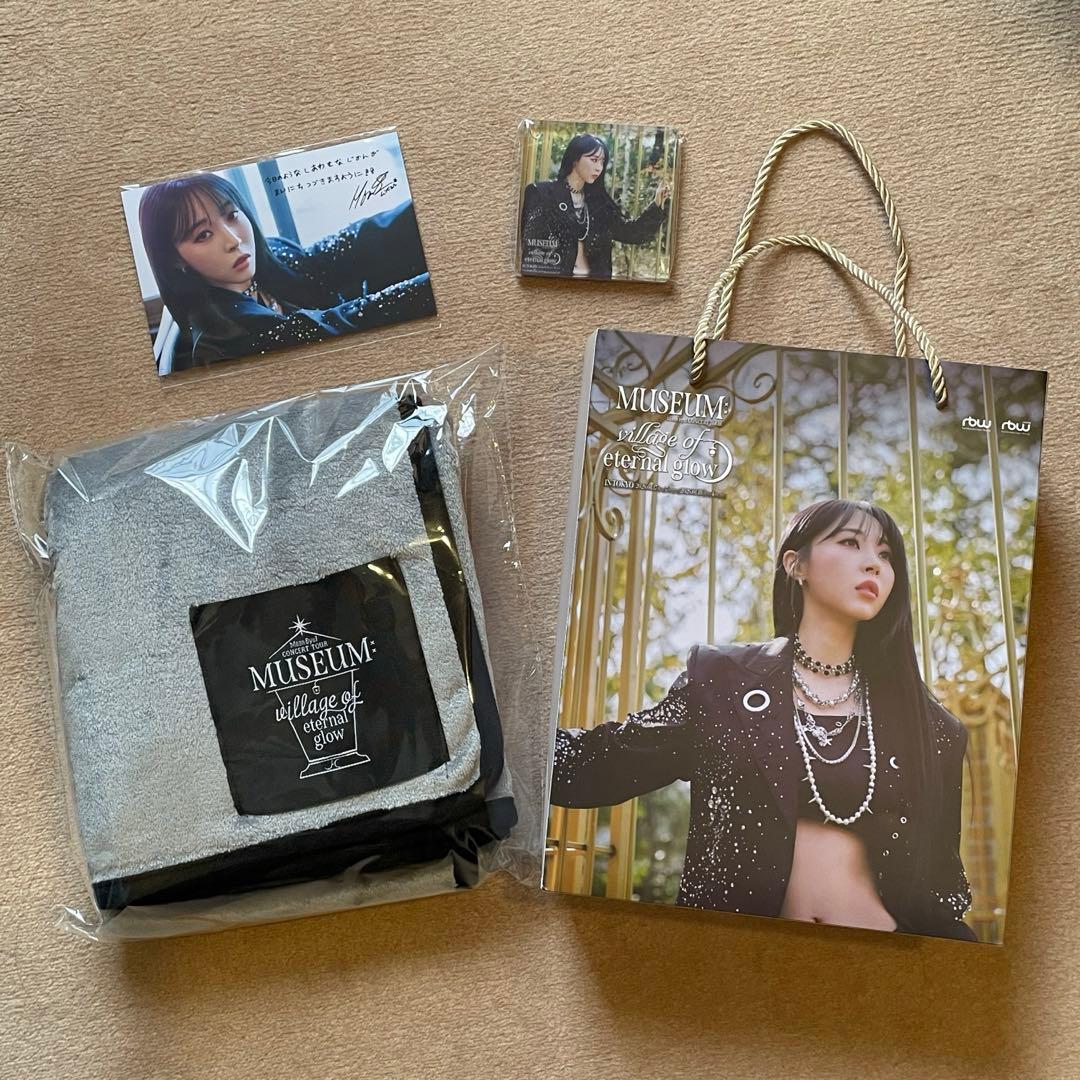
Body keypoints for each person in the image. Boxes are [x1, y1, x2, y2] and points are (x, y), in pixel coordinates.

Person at [550, 498, 976, 940]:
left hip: (879, 963)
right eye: (851, 543)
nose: (874, 564)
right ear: (796, 564)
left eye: (886, 555)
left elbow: (940, 889)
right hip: (741, 961)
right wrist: (499, 743)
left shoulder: (931, 728)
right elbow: (601, 763)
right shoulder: (721, 682)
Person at [138, 173, 435, 370]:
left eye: (231, 215)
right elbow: (342, 322)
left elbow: (345, 247)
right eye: (203, 235)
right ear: (174, 259)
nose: (233, 239)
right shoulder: (226, 336)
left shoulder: (268, 256)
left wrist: (429, 206)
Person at [519, 133, 670, 279]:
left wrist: (657, 203)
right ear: (574, 159)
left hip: (595, 287)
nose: (599, 167)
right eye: (594, 159)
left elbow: (633, 233)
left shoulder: (599, 203)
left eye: (602, 162)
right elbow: (531, 250)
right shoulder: (542, 194)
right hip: (556, 285)